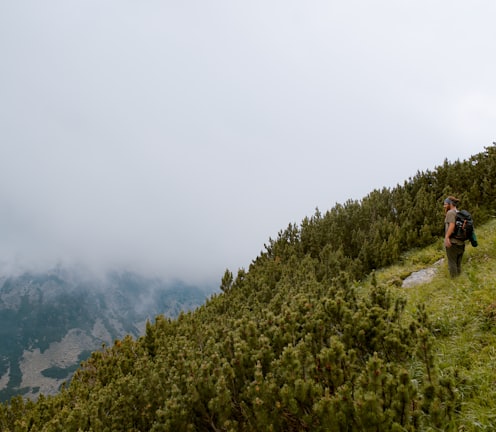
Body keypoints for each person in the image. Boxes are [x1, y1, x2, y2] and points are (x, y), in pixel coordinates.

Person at [443, 196, 465, 277]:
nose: (444, 206)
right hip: (461, 242)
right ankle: (459, 281)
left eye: (445, 204)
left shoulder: (450, 213)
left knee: (452, 263)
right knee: (458, 264)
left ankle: (454, 282)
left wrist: (447, 237)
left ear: (450, 204)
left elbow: (451, 226)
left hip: (452, 242)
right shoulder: (459, 213)